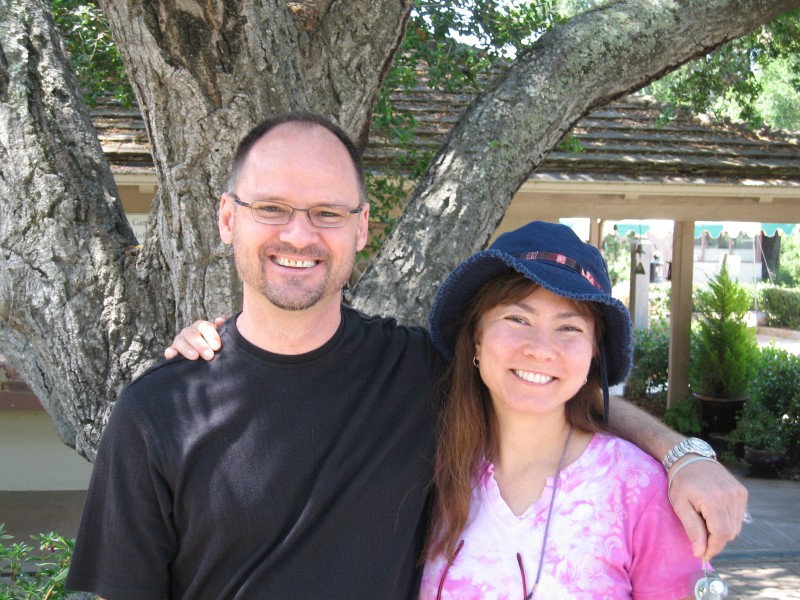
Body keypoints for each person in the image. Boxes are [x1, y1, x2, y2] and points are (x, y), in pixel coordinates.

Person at [68, 111, 745, 599]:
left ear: (361, 226)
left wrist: (682, 455)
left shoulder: (417, 374)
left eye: (328, 212)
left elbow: (546, 389)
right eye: (272, 207)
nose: (299, 234)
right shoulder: (159, 408)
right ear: (227, 218)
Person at [419, 220, 707, 598]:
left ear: (593, 353)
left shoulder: (639, 489)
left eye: (569, 328)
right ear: (476, 337)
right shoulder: (426, 467)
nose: (540, 348)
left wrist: (690, 457)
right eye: (517, 319)